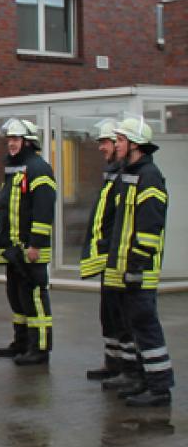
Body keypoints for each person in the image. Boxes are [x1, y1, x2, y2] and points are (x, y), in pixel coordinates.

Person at [100, 116, 173, 407]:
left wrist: (137, 266)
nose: (116, 145)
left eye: (120, 140)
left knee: (146, 326)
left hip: (139, 270)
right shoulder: (129, 173)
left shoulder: (150, 176)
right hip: (125, 268)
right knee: (133, 325)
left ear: (134, 145)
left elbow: (149, 228)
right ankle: (142, 379)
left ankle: (159, 388)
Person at [0, 118, 57, 366]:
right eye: (9, 139)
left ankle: (39, 348)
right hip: (14, 250)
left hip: (30, 250)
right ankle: (21, 342)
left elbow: (43, 211)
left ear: (29, 142)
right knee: (17, 297)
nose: (11, 144)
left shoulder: (38, 169)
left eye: (16, 139)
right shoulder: (14, 170)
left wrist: (36, 245)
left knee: (34, 299)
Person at [79, 119, 137, 382]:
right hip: (108, 259)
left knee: (123, 317)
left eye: (105, 142)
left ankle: (129, 369)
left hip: (119, 259)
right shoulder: (113, 175)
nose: (101, 148)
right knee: (110, 315)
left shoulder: (125, 177)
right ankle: (113, 363)